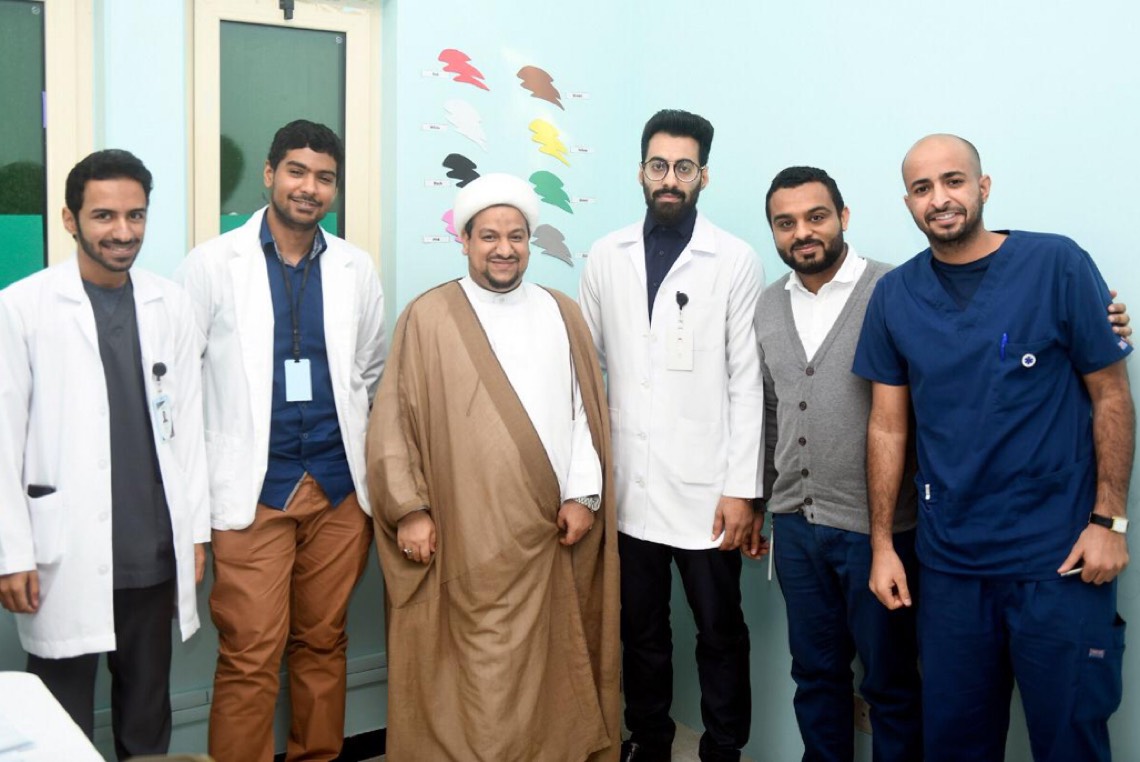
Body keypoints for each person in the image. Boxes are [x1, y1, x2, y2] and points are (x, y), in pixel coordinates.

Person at [854, 133, 1134, 762]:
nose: (939, 198)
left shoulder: (1057, 265)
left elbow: (1112, 395)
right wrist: (882, 545)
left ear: (983, 187)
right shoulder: (895, 297)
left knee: (1071, 742)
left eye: (953, 180)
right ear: (908, 202)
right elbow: (887, 427)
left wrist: (1110, 521)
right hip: (952, 566)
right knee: (955, 744)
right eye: (922, 188)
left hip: (1059, 560)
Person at [367, 173, 620, 761]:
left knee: (550, 661)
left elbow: (586, 412)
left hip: (551, 528)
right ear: (464, 241)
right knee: (476, 671)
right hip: (464, 532)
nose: (503, 249)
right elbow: (393, 422)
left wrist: (583, 496)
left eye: (516, 237)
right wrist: (410, 511)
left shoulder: (562, 312)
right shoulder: (428, 316)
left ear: (530, 242)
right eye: (488, 237)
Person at [177, 119, 386, 762]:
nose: (309, 187)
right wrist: (189, 516)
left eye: (324, 177)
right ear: (270, 174)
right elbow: (180, 387)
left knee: (324, 643)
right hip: (253, 492)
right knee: (250, 654)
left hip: (337, 492)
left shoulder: (355, 268)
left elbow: (370, 371)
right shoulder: (212, 265)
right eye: (297, 171)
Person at [0, 149, 209, 759]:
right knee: (56, 720)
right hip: (61, 551)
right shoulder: (23, 307)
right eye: (104, 216)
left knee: (146, 716)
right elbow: (3, 438)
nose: (123, 231)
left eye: (135, 215)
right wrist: (11, 553)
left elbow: (188, 426)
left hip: (151, 548)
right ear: (70, 219)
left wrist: (194, 535)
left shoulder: (170, 304)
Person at [579, 109, 765, 762]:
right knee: (640, 631)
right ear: (640, 171)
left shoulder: (734, 260)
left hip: (709, 490)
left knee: (720, 631)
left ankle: (724, 748)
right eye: (658, 165)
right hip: (630, 486)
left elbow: (747, 381)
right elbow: (588, 371)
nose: (669, 178)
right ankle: (649, 741)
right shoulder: (606, 256)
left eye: (684, 167)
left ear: (703, 176)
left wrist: (743, 491)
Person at [754, 166, 922, 761]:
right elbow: (771, 410)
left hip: (878, 529)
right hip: (795, 528)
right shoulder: (768, 305)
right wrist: (761, 502)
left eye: (816, 216)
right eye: (786, 223)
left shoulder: (895, 288)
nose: (802, 232)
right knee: (815, 674)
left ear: (843, 217)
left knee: (891, 682)